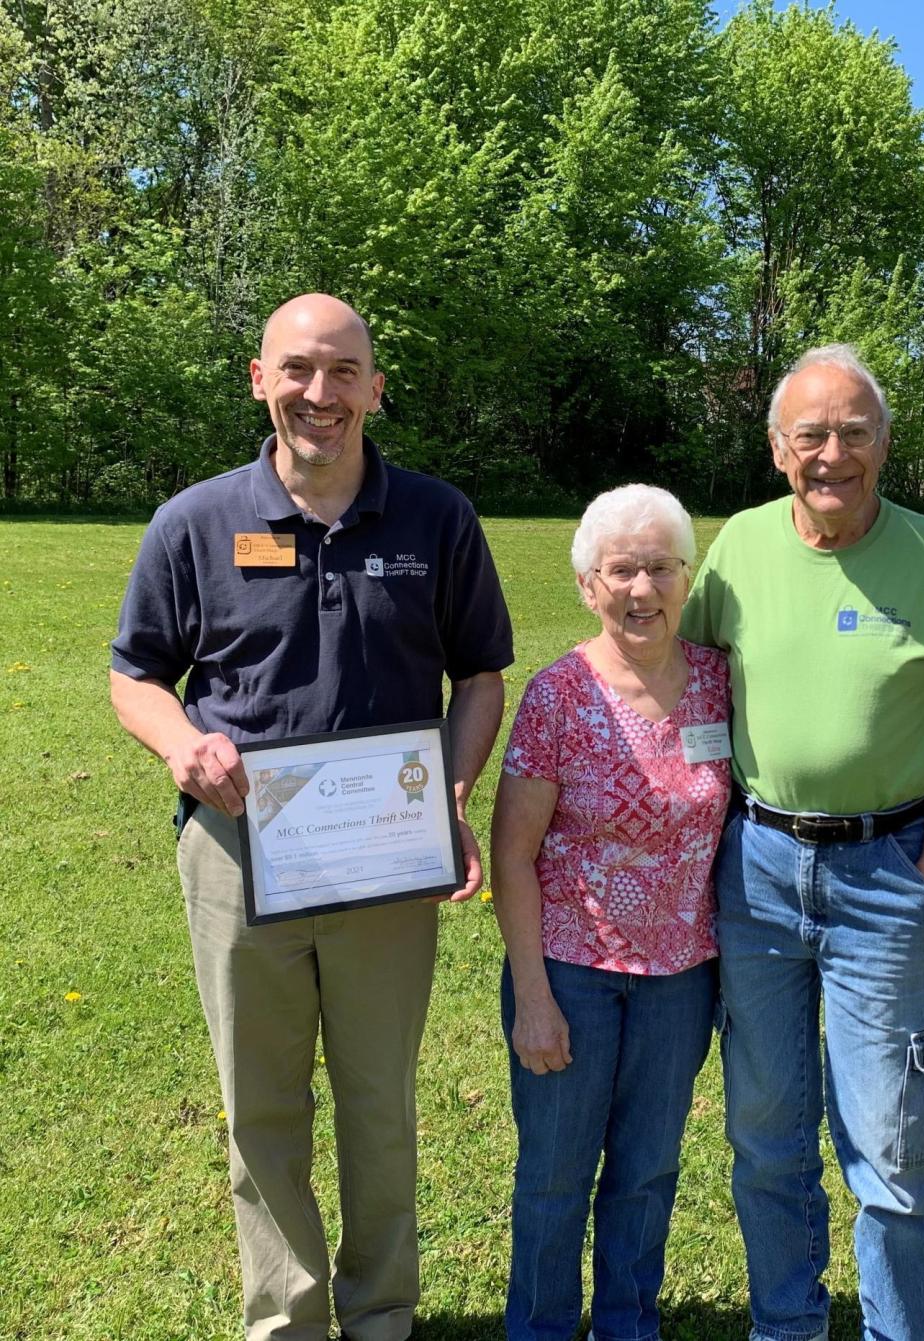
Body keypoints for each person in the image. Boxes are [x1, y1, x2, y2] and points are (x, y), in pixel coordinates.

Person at [109, 293, 512, 1341]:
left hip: (387, 853)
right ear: (259, 379)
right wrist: (179, 746)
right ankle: (285, 1319)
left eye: (343, 372)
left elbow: (479, 676)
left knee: (380, 1106)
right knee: (261, 1107)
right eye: (297, 369)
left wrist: (458, 793)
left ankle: (381, 1315)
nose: (319, 393)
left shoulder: (437, 519)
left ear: (376, 388)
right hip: (240, 850)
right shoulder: (196, 522)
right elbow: (136, 675)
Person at [680, 345, 924, 1341]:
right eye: (810, 434)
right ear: (778, 450)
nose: (833, 454)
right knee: (768, 1140)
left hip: (885, 873)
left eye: (854, 432)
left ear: (885, 442)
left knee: (894, 1152)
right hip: (759, 872)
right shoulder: (736, 547)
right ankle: (789, 1326)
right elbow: (685, 692)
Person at [490, 484, 729, 1341]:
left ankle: (629, 1325)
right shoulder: (557, 695)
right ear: (589, 584)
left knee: (647, 1171)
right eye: (620, 570)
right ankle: (543, 1328)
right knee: (555, 1175)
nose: (641, 589)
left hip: (681, 978)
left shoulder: (717, 682)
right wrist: (533, 997)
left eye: (659, 568)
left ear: (685, 577)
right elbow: (512, 854)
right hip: (570, 973)